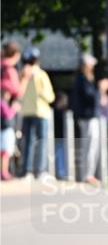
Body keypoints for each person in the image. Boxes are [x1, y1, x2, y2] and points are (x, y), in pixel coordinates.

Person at [19, 48, 55, 179]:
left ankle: (27, 171)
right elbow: (50, 96)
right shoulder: (41, 75)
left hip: (26, 112)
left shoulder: (21, 74)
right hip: (41, 112)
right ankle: (39, 171)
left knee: (28, 142)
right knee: (41, 142)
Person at [70, 53, 101, 185]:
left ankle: (88, 174)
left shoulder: (84, 78)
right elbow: (89, 96)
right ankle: (87, 175)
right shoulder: (83, 79)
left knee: (91, 145)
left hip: (87, 116)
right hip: (87, 117)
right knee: (89, 145)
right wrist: (100, 90)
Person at [1, 42, 29, 180]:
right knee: (6, 141)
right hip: (6, 110)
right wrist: (24, 79)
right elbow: (17, 91)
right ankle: (4, 171)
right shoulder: (9, 69)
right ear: (16, 55)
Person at [1, 86, 19, 180]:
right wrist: (14, 108)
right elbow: (8, 115)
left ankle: (4, 172)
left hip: (5, 131)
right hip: (4, 131)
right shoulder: (2, 103)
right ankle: (4, 172)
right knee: (5, 153)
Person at [53, 92, 69, 179]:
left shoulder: (60, 112)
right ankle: (61, 173)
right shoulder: (59, 112)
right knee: (60, 155)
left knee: (60, 155)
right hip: (58, 137)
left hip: (61, 137)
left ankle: (61, 173)